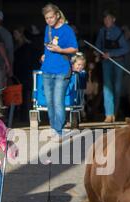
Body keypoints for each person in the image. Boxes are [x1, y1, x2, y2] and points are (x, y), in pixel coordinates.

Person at [40, 3, 78, 140]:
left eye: (51, 17)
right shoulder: (47, 29)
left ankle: (58, 129)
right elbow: (46, 45)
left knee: (58, 100)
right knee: (49, 101)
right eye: (46, 18)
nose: (49, 20)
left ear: (57, 15)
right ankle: (54, 127)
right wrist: (44, 55)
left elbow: (74, 49)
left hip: (62, 70)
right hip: (47, 69)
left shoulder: (67, 30)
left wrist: (60, 50)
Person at [95, 10, 130, 123]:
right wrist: (98, 52)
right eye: (105, 19)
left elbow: (126, 48)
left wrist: (112, 54)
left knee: (117, 88)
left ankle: (114, 113)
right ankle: (108, 114)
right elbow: (98, 45)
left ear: (113, 19)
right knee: (107, 88)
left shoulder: (119, 31)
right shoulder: (102, 31)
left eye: (109, 18)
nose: (106, 21)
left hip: (118, 62)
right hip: (106, 63)